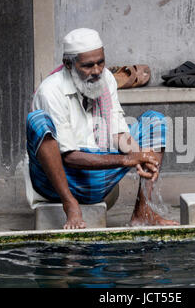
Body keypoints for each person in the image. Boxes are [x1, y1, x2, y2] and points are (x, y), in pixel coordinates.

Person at [26, 28, 179, 229]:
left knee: (155, 122)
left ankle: (143, 211)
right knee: (37, 121)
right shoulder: (51, 91)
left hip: (100, 171)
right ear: (68, 64)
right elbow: (69, 157)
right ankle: (70, 205)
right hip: (62, 180)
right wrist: (127, 160)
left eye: (101, 62)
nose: (97, 70)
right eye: (88, 65)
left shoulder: (105, 79)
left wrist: (140, 156)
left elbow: (118, 133)